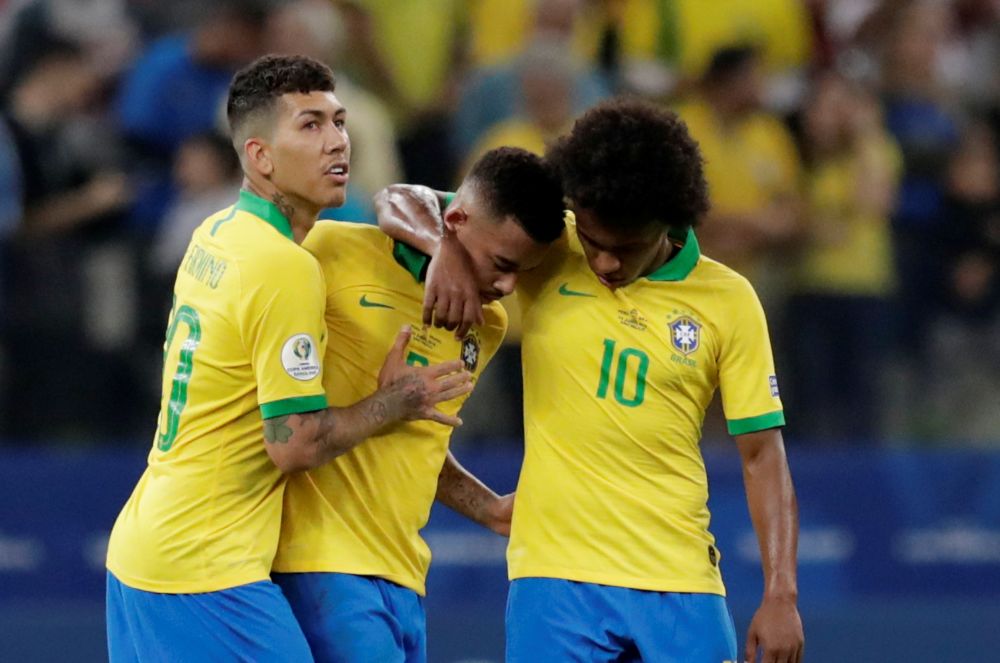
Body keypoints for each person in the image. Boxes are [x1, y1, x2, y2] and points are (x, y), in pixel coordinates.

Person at [378, 99, 804, 663]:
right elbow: (398, 198)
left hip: (679, 576)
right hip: (553, 580)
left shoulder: (728, 300)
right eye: (594, 242)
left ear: (669, 222)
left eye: (625, 249)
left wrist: (781, 594)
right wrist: (445, 249)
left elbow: (761, 453)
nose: (603, 263)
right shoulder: (553, 245)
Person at [105, 54, 473, 662]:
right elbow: (294, 443)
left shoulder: (216, 233)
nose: (337, 141)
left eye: (339, 121)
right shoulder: (285, 267)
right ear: (260, 157)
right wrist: (395, 401)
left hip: (154, 545)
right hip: (204, 566)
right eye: (310, 125)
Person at [271, 146, 565, 663]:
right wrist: (441, 249)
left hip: (404, 575)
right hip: (319, 566)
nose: (507, 286)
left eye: (523, 272)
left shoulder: (486, 324)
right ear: (455, 222)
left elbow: (421, 440)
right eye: (501, 264)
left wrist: (489, 508)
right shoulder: (329, 251)